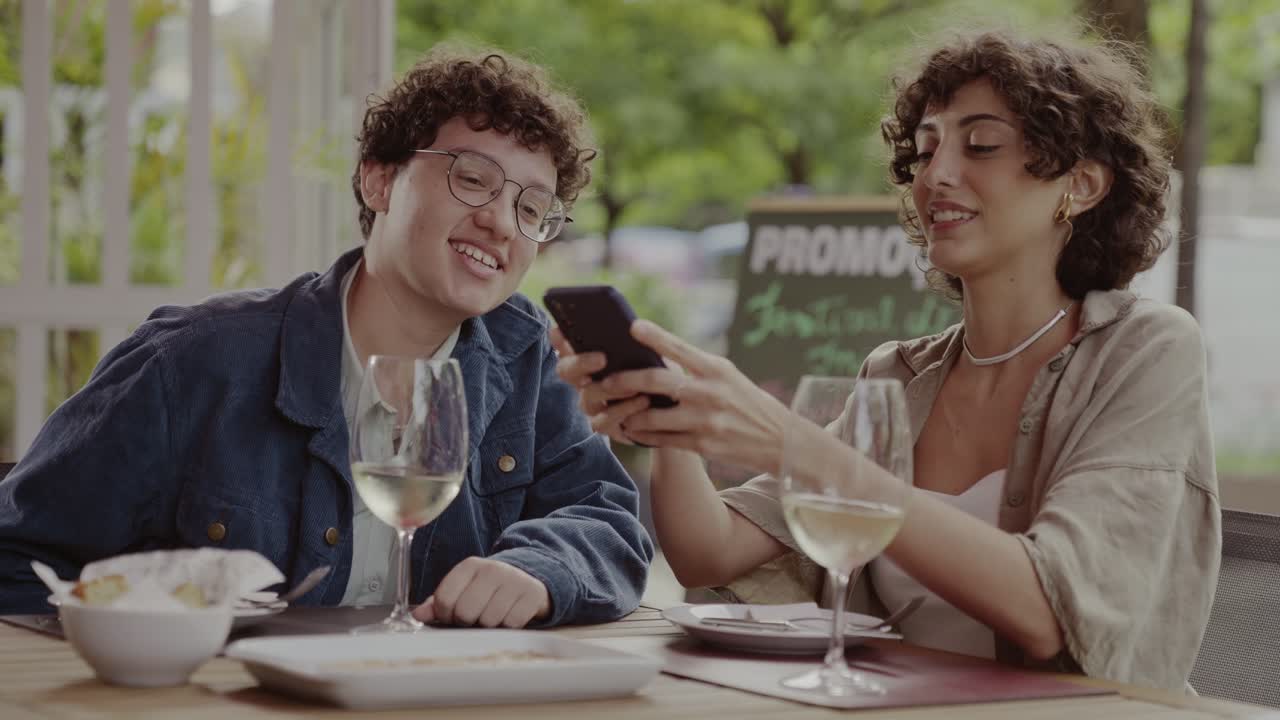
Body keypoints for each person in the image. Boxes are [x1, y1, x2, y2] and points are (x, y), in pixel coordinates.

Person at [553, 29, 1219, 690]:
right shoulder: (898, 377)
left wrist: (789, 441)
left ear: (1082, 184)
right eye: (925, 151)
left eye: (981, 145)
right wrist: (674, 419)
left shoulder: (1146, 349)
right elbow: (711, 551)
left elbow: (1050, 610)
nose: (936, 175)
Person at [0, 46, 653, 628]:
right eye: (472, 179)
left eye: (531, 208)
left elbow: (609, 524)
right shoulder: (193, 360)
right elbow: (18, 555)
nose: (501, 224)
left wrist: (540, 571)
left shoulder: (525, 357)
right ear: (379, 179)